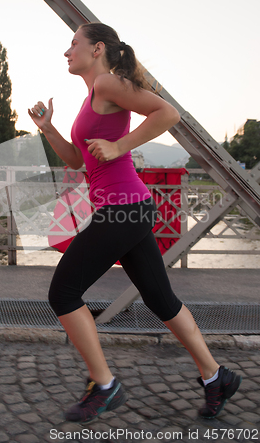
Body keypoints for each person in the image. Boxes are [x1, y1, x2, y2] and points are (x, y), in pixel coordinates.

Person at [28, 22, 241, 424]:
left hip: (123, 209)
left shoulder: (107, 83)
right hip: (129, 208)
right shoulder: (93, 94)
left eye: (74, 43)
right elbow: (77, 161)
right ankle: (217, 378)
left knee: (64, 292)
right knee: (161, 301)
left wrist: (120, 145)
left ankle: (104, 386)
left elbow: (168, 112)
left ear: (97, 49)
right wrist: (49, 129)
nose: (66, 51)